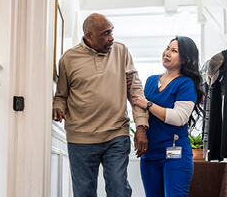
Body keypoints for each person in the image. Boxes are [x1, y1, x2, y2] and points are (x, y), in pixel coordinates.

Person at [52, 13, 149, 197]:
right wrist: (58, 106)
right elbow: (61, 95)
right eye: (105, 33)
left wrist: (141, 125)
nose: (111, 38)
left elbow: (135, 90)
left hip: (116, 134)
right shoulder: (69, 59)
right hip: (81, 139)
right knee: (84, 192)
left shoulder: (121, 51)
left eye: (112, 31)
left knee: (119, 190)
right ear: (89, 36)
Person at [132, 36, 204, 197]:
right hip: (149, 154)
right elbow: (139, 108)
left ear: (185, 58)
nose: (167, 53)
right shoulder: (150, 81)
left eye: (174, 51)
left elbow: (179, 118)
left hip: (175, 154)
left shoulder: (186, 83)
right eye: (167, 48)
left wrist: (148, 104)